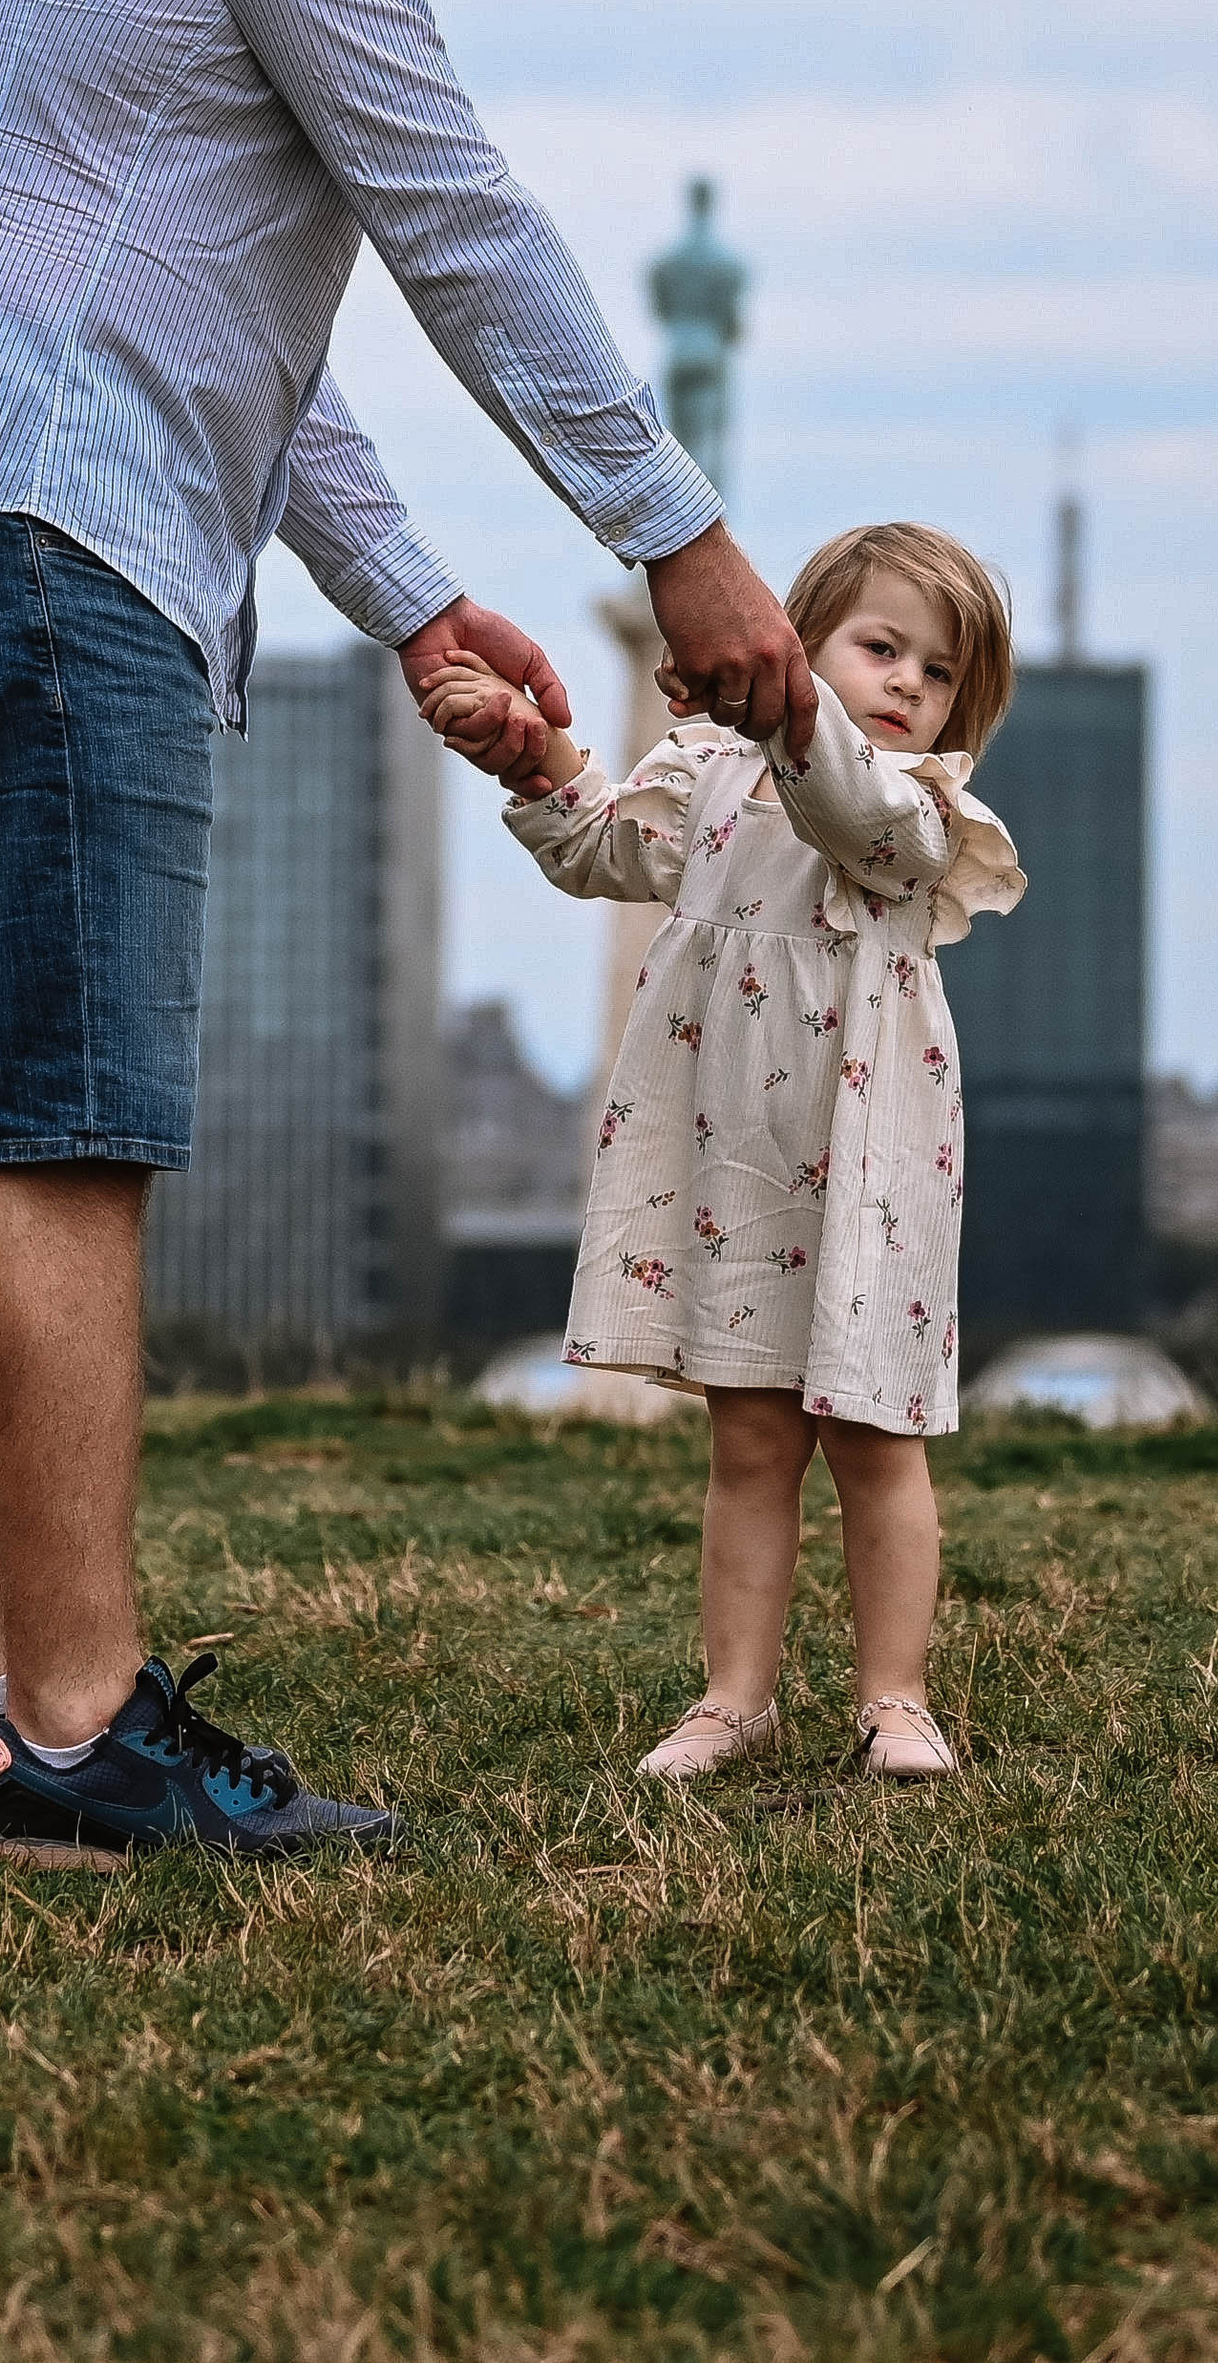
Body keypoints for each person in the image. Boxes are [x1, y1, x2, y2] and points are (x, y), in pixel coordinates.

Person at [0, 0, 816, 1869]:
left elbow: (225, 312)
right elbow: (448, 209)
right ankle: (79, 1737)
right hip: (48, 522)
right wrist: (675, 534)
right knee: (66, 1129)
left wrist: (414, 599)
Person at [420, 521, 1021, 1785]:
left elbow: (850, 811)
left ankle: (895, 1701)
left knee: (875, 1440)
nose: (911, 684)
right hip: (732, 1160)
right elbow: (605, 850)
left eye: (940, 671)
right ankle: (733, 1700)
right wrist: (530, 751)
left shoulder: (921, 807)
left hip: (868, 1167)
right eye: (881, 648)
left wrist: (781, 709)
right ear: (795, 637)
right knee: (749, 1441)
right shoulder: (705, 770)